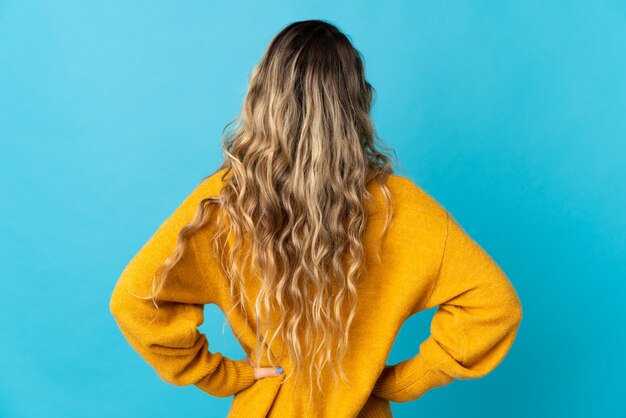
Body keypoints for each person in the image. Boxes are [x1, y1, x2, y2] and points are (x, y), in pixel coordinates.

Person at [109, 19, 523, 418]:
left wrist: (224, 376)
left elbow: (135, 302)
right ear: (356, 102)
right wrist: (400, 381)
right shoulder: (402, 206)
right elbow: (495, 307)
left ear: (263, 96)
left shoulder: (223, 202)